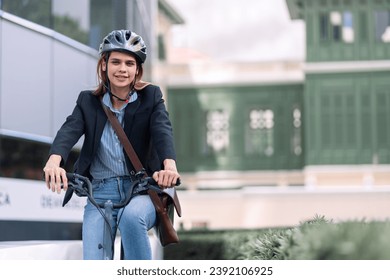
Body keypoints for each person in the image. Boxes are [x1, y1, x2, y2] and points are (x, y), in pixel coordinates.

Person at [43, 29, 180, 260]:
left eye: (129, 63)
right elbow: (69, 130)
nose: (122, 69)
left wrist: (170, 166)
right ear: (104, 64)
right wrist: (53, 161)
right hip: (100, 192)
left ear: (138, 69)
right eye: (115, 61)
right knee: (94, 261)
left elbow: (162, 131)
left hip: (141, 189)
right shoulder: (88, 101)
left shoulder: (151, 97)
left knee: (131, 218)